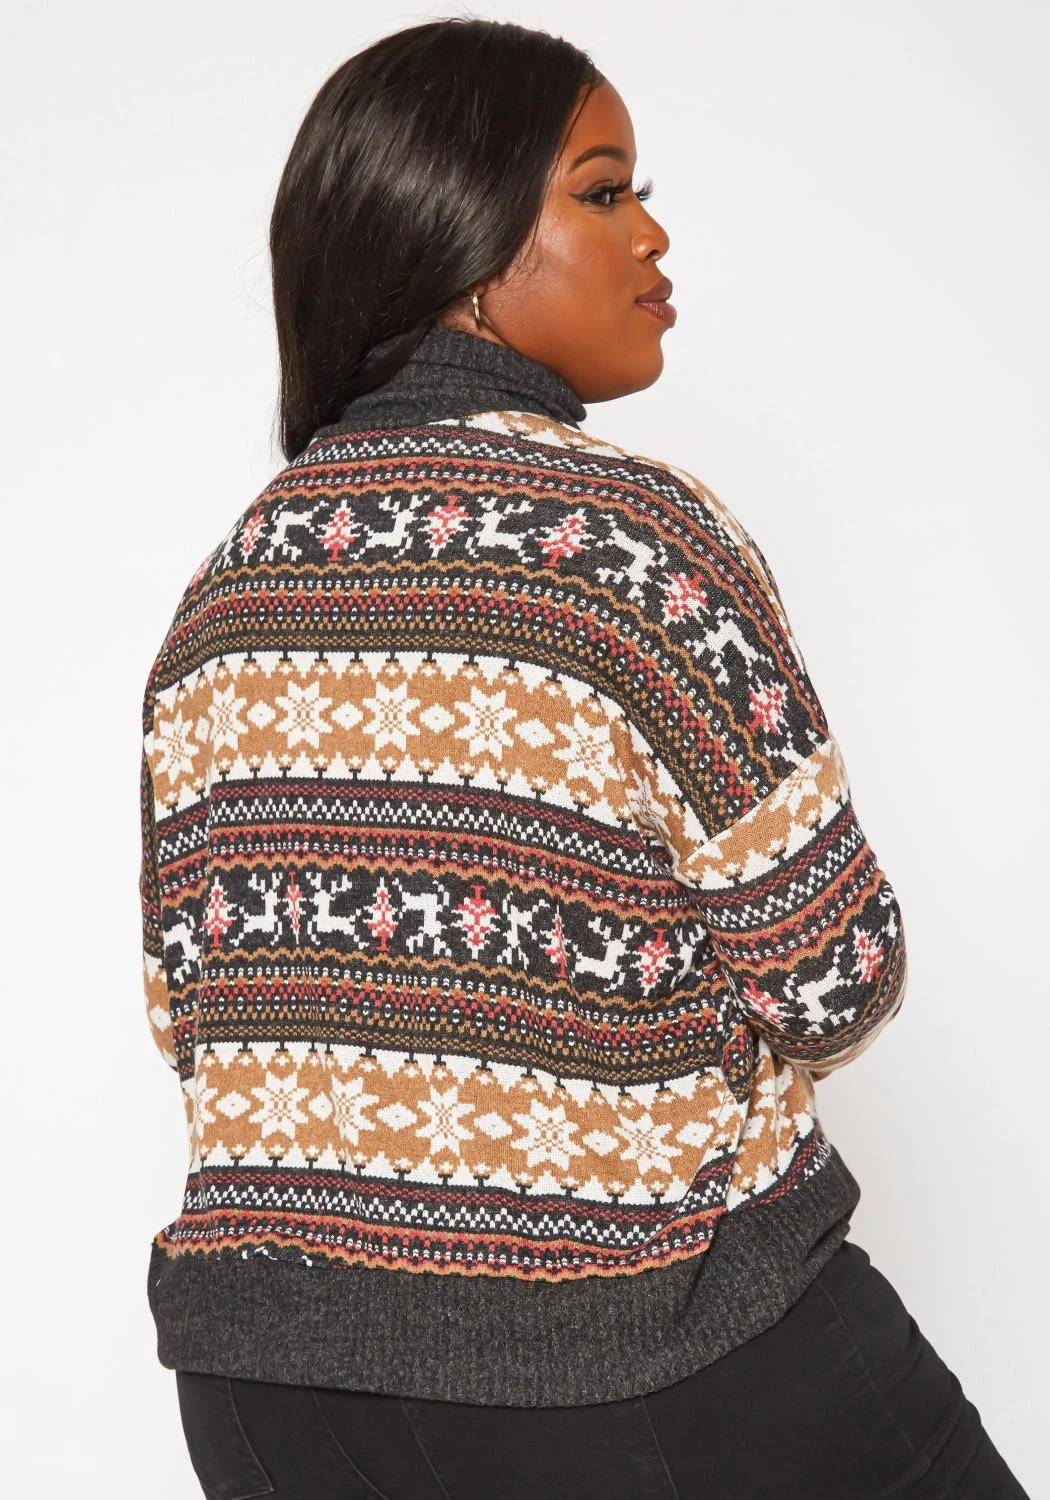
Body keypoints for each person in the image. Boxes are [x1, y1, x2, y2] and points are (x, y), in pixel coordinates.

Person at [140, 16, 1030, 1499]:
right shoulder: (629, 539)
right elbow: (834, 978)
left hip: (269, 1398)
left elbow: (187, 1006)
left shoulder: (229, 583)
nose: (651, 233)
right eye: (605, 191)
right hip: (639, 1356)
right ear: (463, 237)